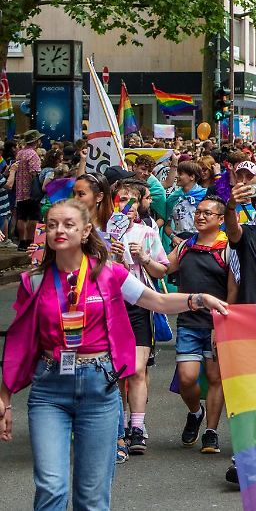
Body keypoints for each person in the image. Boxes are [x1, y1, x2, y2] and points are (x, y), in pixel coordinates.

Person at [0, 199, 228, 511]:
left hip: (99, 387)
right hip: (49, 391)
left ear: (85, 232)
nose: (59, 230)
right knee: (51, 487)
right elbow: (20, 342)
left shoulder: (109, 274)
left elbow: (156, 302)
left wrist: (198, 299)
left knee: (92, 496)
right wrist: (5, 396)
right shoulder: (34, 281)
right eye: (52, 225)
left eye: (68, 224)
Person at [108, 179, 170, 457]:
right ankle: (119, 426)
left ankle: (137, 426)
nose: (128, 206)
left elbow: (161, 270)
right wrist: (110, 257)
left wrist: (144, 258)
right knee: (116, 371)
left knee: (136, 368)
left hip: (139, 304)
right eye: (122, 200)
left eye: (132, 201)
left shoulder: (147, 232)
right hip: (110, 305)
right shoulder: (101, 232)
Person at [165, 195, 231, 456]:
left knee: (216, 378)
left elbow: (234, 288)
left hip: (218, 323)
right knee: (187, 378)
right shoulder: (185, 245)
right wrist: (143, 258)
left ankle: (211, 432)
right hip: (189, 321)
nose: (201, 216)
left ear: (221, 219)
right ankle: (195, 412)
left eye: (207, 213)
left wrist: (223, 322)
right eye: (198, 212)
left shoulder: (228, 248)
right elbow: (163, 268)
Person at [8, 130, 44, 250]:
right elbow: (34, 172)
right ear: (35, 141)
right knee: (34, 216)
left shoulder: (20, 153)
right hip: (31, 191)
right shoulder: (33, 154)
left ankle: (22, 242)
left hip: (20, 191)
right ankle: (29, 240)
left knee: (21, 217)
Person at [165, 160, 207, 244]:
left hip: (202, 242)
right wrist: (174, 238)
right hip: (180, 243)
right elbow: (167, 226)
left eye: (180, 174)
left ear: (192, 177)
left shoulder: (205, 195)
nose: (177, 176)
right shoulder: (173, 198)